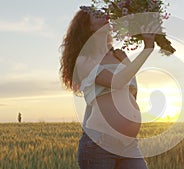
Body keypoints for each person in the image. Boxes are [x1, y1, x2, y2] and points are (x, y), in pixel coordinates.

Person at [59, 6, 156, 169]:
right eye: (97, 15)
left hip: (128, 146)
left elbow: (132, 92)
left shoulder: (119, 56)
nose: (105, 16)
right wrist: (147, 49)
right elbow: (116, 82)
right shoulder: (84, 60)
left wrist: (126, 62)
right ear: (87, 26)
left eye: (104, 13)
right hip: (99, 145)